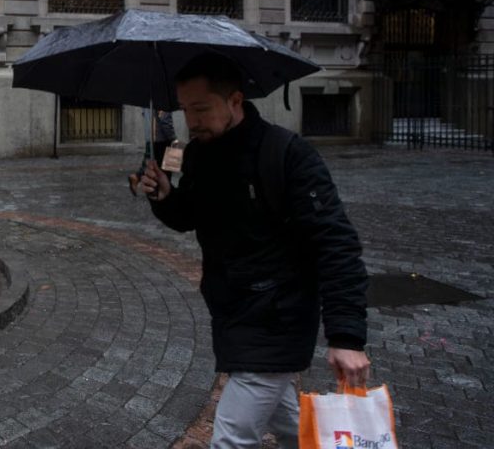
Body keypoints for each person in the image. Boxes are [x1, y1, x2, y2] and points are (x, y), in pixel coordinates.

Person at [139, 53, 369, 449]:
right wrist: (164, 196)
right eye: (184, 110)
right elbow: (189, 217)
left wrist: (346, 336)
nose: (191, 121)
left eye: (201, 108)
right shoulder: (199, 154)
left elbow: (336, 243)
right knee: (290, 424)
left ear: (235, 101)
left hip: (279, 315)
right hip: (231, 309)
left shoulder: (287, 154)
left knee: (231, 436)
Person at [129, 108, 176, 196]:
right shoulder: (163, 99)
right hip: (161, 139)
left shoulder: (148, 99)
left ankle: (137, 177)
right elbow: (165, 120)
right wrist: (173, 138)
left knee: (151, 163)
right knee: (165, 167)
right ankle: (165, 191)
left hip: (150, 138)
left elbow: (145, 115)